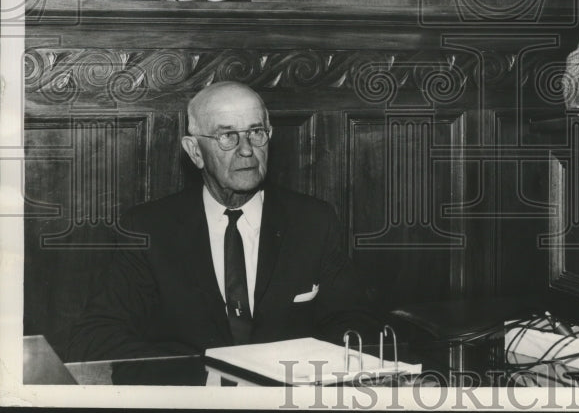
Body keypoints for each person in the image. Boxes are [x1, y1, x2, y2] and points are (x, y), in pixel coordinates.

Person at [67, 82, 378, 361]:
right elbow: (97, 335)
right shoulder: (148, 228)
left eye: (256, 132)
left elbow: (354, 323)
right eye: (227, 135)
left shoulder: (313, 221)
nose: (246, 150)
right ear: (195, 152)